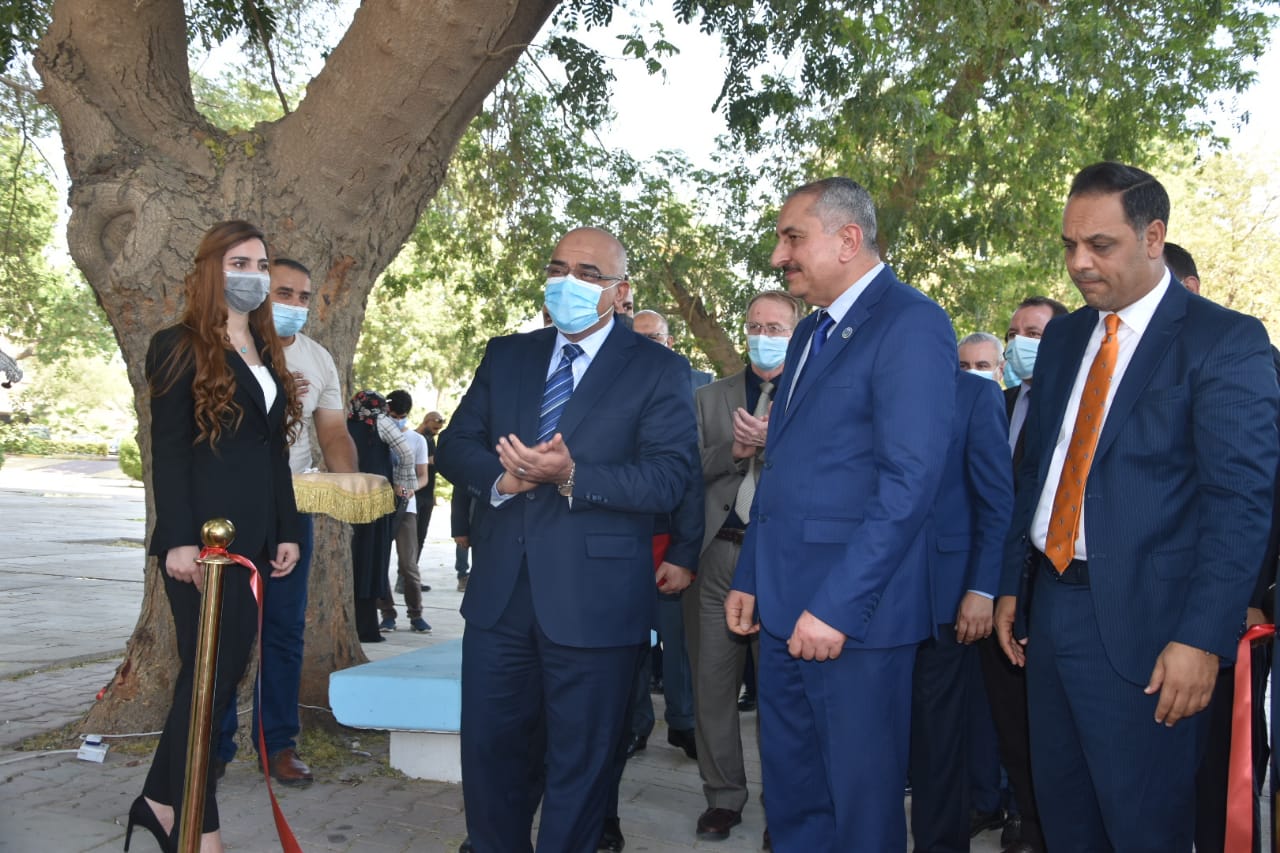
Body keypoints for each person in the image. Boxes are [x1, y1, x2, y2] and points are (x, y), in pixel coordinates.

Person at [994, 162, 1279, 852]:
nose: (1079, 263)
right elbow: (1036, 473)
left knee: (1143, 829)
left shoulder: (1223, 340)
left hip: (1151, 634)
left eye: (1100, 245)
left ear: (1154, 237)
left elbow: (1240, 504)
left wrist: (1202, 638)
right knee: (1065, 822)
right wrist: (1011, 584)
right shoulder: (1065, 338)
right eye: (1070, 245)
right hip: (1050, 614)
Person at [435, 226, 698, 852]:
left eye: (587, 274)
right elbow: (454, 445)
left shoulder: (659, 369)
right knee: (492, 755)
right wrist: (501, 478)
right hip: (500, 600)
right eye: (558, 269)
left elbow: (669, 478)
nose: (568, 284)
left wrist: (573, 475)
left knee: (582, 765)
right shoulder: (508, 355)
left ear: (620, 292)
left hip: (596, 603)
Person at [725, 177, 957, 850]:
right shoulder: (808, 333)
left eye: (792, 238)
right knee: (795, 800)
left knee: (860, 810)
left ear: (848, 239)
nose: (779, 255)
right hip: (783, 607)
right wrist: (751, 575)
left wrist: (837, 607)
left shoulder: (912, 323)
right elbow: (780, 468)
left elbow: (909, 483)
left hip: (855, 621)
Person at [129, 220, 302, 853]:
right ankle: (195, 824)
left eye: (261, 264)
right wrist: (178, 538)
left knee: (217, 677)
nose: (253, 275)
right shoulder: (176, 345)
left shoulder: (266, 349)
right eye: (239, 263)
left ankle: (158, 803)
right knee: (209, 677)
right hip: (201, 544)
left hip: (252, 543)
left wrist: (285, 530)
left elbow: (272, 453)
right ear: (210, 269)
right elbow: (170, 450)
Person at [214, 257, 358, 788]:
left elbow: (333, 433)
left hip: (291, 509)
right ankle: (212, 745)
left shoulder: (318, 359)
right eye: (283, 293)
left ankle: (277, 743)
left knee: (284, 630)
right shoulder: (229, 348)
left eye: (303, 296)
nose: (294, 304)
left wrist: (352, 483)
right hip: (230, 509)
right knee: (225, 629)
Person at [1167, 241, 1279, 853]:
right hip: (1161, 601)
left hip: (1235, 607)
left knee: (1225, 770)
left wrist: (1253, 595)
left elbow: (1255, 496)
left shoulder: (1248, 356)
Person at [686, 288, 802, 845]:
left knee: (781, 694)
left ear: (797, 333)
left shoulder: (814, 392)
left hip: (782, 563)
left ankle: (786, 807)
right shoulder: (710, 398)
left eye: (776, 327)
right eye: (755, 325)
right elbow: (683, 470)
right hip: (718, 555)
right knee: (712, 686)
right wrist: (733, 452)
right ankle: (722, 797)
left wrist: (774, 443)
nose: (763, 335)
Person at [909, 365, 1013, 852]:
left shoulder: (976, 395)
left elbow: (997, 503)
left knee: (939, 734)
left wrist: (982, 589)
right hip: (875, 595)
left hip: (947, 598)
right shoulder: (876, 385)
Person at [346, 390, 417, 643]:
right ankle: (366, 627)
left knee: (354, 559)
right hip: (377, 499)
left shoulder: (345, 421)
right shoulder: (381, 422)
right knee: (372, 559)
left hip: (348, 497)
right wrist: (403, 486)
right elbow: (406, 454)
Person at [379, 389, 432, 634]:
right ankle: (387, 613)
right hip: (380, 506)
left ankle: (416, 614)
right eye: (393, 415)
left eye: (401, 416)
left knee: (409, 565)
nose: (396, 420)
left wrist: (411, 489)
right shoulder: (378, 435)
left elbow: (423, 476)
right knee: (379, 562)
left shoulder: (417, 440)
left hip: (406, 508)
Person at [413, 410, 447, 575]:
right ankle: (404, 577)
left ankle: (411, 576)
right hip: (414, 494)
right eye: (434, 428)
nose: (436, 432)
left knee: (420, 537)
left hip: (427, 495)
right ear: (427, 422)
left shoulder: (430, 440)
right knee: (410, 539)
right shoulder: (414, 438)